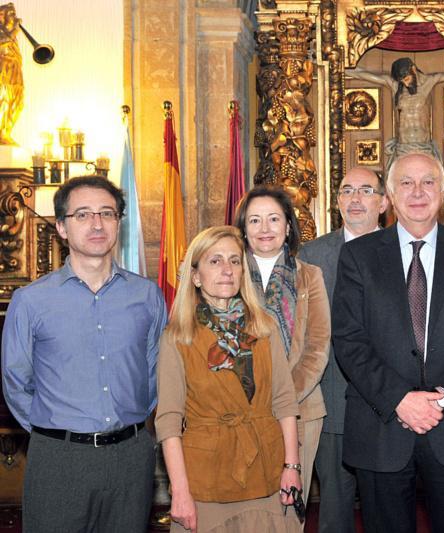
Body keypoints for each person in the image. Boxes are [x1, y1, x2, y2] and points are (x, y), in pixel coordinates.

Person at [332, 152, 444, 533]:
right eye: (406, 182)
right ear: (389, 196)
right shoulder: (357, 256)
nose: (418, 192)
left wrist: (441, 399)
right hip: (381, 426)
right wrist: (399, 400)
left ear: (443, 191)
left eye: (428, 182)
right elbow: (349, 339)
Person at [1, 175, 167, 531]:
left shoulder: (147, 296)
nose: (96, 223)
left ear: (118, 223)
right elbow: (16, 383)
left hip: (131, 456)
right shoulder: (31, 301)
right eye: (83, 215)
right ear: (61, 227)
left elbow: (155, 373)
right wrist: (56, 434)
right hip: (59, 460)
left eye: (107, 213)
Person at [155, 226, 301, 532]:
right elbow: (168, 420)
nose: (227, 270)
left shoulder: (265, 327)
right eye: (215, 261)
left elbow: (285, 402)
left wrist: (292, 467)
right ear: (195, 276)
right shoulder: (177, 337)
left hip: (267, 468)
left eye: (235, 261)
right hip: (207, 478)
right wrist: (180, 492)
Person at [297, 166, 389, 533]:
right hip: (333, 403)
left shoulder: (406, 250)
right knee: (334, 513)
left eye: (365, 190)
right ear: (336, 201)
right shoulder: (311, 255)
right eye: (346, 190)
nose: (355, 198)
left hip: (390, 407)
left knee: (388, 510)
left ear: (383, 202)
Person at [234, 186, 331, 530]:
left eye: (274, 219)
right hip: (236, 412)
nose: (265, 228)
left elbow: (317, 346)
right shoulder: (227, 273)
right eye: (255, 220)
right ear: (243, 228)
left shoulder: (309, 276)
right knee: (242, 509)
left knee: (287, 512)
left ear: (288, 226)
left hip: (301, 409)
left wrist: (281, 399)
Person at [350, 58, 444, 165]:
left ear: (413, 69)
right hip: (403, 148)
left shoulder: (428, 82)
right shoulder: (395, 86)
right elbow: (363, 74)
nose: (405, 83)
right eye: (402, 81)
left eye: (406, 79)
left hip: (424, 147)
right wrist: (343, 65)